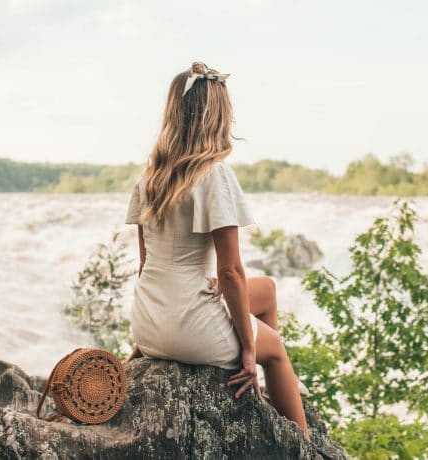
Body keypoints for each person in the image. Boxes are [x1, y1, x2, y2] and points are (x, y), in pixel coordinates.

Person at [123, 61, 310, 441]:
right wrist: (248, 349)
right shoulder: (214, 174)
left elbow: (146, 266)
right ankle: (302, 441)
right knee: (273, 349)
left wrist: (141, 345)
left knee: (268, 291)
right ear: (217, 116)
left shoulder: (150, 177)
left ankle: (273, 386)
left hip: (149, 324)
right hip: (189, 329)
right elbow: (230, 274)